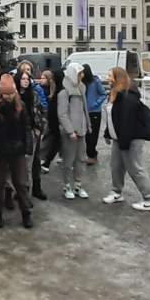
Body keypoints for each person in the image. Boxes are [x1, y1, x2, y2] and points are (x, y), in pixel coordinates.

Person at [101, 68, 150, 212]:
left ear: (117, 77)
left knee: (135, 168)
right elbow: (111, 118)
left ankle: (149, 200)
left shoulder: (127, 97)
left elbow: (127, 122)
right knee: (116, 166)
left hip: (130, 139)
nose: (107, 77)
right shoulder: (114, 93)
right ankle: (116, 192)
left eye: (110, 75)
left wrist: (124, 143)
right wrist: (108, 134)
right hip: (118, 138)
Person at [0, 74, 34, 229]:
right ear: (0, 94)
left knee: (21, 183)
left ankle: (26, 213)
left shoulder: (21, 106)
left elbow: (26, 127)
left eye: (11, 94)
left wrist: (27, 148)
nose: (9, 97)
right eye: (6, 94)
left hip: (17, 150)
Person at [57, 63, 90, 199]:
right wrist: (70, 131)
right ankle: (67, 185)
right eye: (79, 73)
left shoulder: (82, 88)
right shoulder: (64, 92)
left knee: (81, 159)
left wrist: (88, 124)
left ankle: (78, 184)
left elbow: (85, 108)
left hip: (81, 129)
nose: (82, 76)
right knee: (68, 160)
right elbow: (62, 114)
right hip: (69, 132)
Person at [16, 69, 46, 200]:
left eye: (27, 79)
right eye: (23, 79)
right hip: (18, 133)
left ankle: (33, 190)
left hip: (33, 133)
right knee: (22, 165)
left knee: (33, 163)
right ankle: (22, 191)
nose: (25, 81)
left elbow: (41, 111)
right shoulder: (14, 95)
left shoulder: (34, 94)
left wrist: (39, 127)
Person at [83, 64, 106, 164]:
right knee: (87, 135)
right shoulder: (82, 82)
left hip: (95, 112)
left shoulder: (95, 81)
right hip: (85, 112)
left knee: (93, 134)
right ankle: (90, 154)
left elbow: (103, 93)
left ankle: (92, 155)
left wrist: (95, 103)